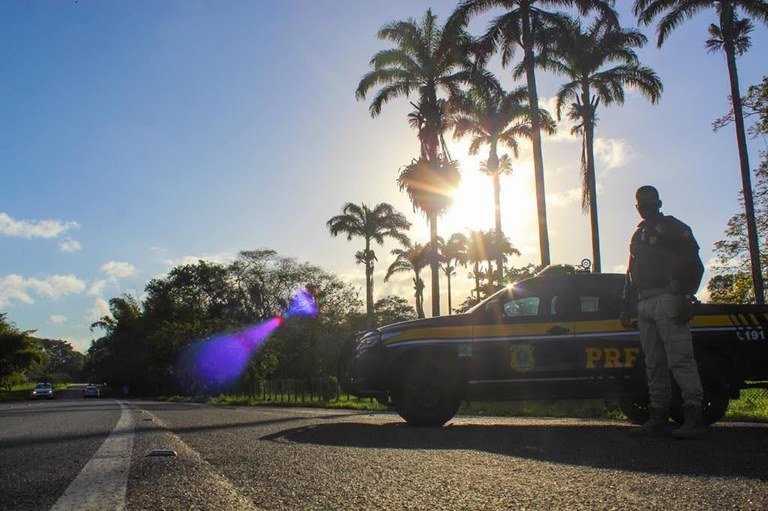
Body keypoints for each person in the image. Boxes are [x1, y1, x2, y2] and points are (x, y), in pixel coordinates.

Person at [621, 186, 706, 439]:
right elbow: (631, 272)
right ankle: (658, 414)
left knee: (680, 359)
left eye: (649, 201)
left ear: (659, 202)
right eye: (641, 203)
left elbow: (694, 263)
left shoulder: (674, 228)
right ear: (637, 207)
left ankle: (694, 415)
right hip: (644, 302)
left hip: (669, 298)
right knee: (653, 363)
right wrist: (627, 305)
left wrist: (686, 296)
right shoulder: (637, 236)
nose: (645, 206)